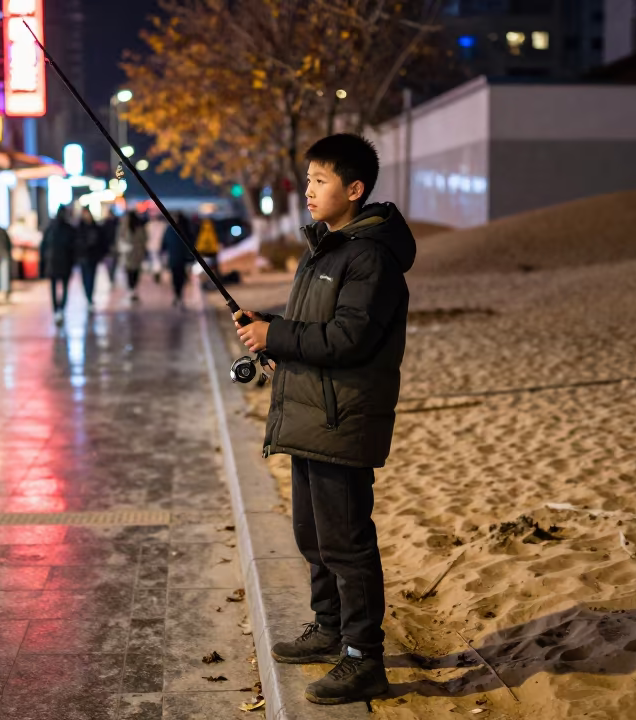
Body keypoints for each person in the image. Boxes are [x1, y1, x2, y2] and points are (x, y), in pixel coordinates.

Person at [234, 134, 415, 705]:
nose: (308, 191)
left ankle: (365, 659)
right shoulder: (328, 249)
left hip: (343, 417)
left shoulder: (371, 257)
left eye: (320, 181)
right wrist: (270, 327)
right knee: (312, 534)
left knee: (346, 541)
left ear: (354, 190)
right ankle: (330, 629)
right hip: (313, 411)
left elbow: (349, 337)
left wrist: (278, 335)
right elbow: (312, 322)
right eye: (307, 179)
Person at [40, 206, 77, 325]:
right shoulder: (69, 229)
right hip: (65, 263)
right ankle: (61, 309)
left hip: (52, 263)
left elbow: (43, 247)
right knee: (65, 287)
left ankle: (57, 310)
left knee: (54, 287)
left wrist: (43, 263)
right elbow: (74, 247)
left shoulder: (50, 228)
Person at [75, 208, 108, 310]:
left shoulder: (95, 227)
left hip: (93, 257)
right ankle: (88, 297)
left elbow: (101, 240)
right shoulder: (80, 227)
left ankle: (90, 297)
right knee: (86, 278)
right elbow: (76, 243)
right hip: (83, 257)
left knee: (92, 278)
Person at [161, 211, 195, 307]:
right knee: (181, 277)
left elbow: (164, 244)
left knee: (176, 278)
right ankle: (180, 296)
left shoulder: (170, 229)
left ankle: (178, 295)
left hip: (174, 258)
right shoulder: (186, 229)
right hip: (184, 258)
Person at [117, 211, 148, 304]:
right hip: (134, 254)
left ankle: (132, 290)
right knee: (133, 272)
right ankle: (132, 290)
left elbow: (119, 239)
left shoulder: (126, 228)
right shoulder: (138, 228)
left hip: (131, 254)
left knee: (131, 272)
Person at [196, 215, 221, 287]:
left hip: (206, 251)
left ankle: (210, 283)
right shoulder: (210, 227)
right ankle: (214, 283)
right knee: (213, 268)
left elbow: (204, 240)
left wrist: (199, 249)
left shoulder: (205, 227)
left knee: (207, 269)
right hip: (212, 250)